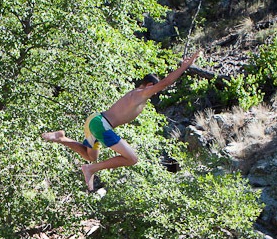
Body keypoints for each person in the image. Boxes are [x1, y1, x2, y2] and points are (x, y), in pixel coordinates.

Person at [42, 51, 199, 191]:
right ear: (150, 85)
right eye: (155, 90)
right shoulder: (141, 93)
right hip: (101, 125)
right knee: (132, 158)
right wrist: (185, 66)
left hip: (94, 121)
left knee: (90, 156)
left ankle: (61, 138)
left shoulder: (136, 94)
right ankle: (91, 169)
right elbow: (166, 82)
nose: (156, 93)